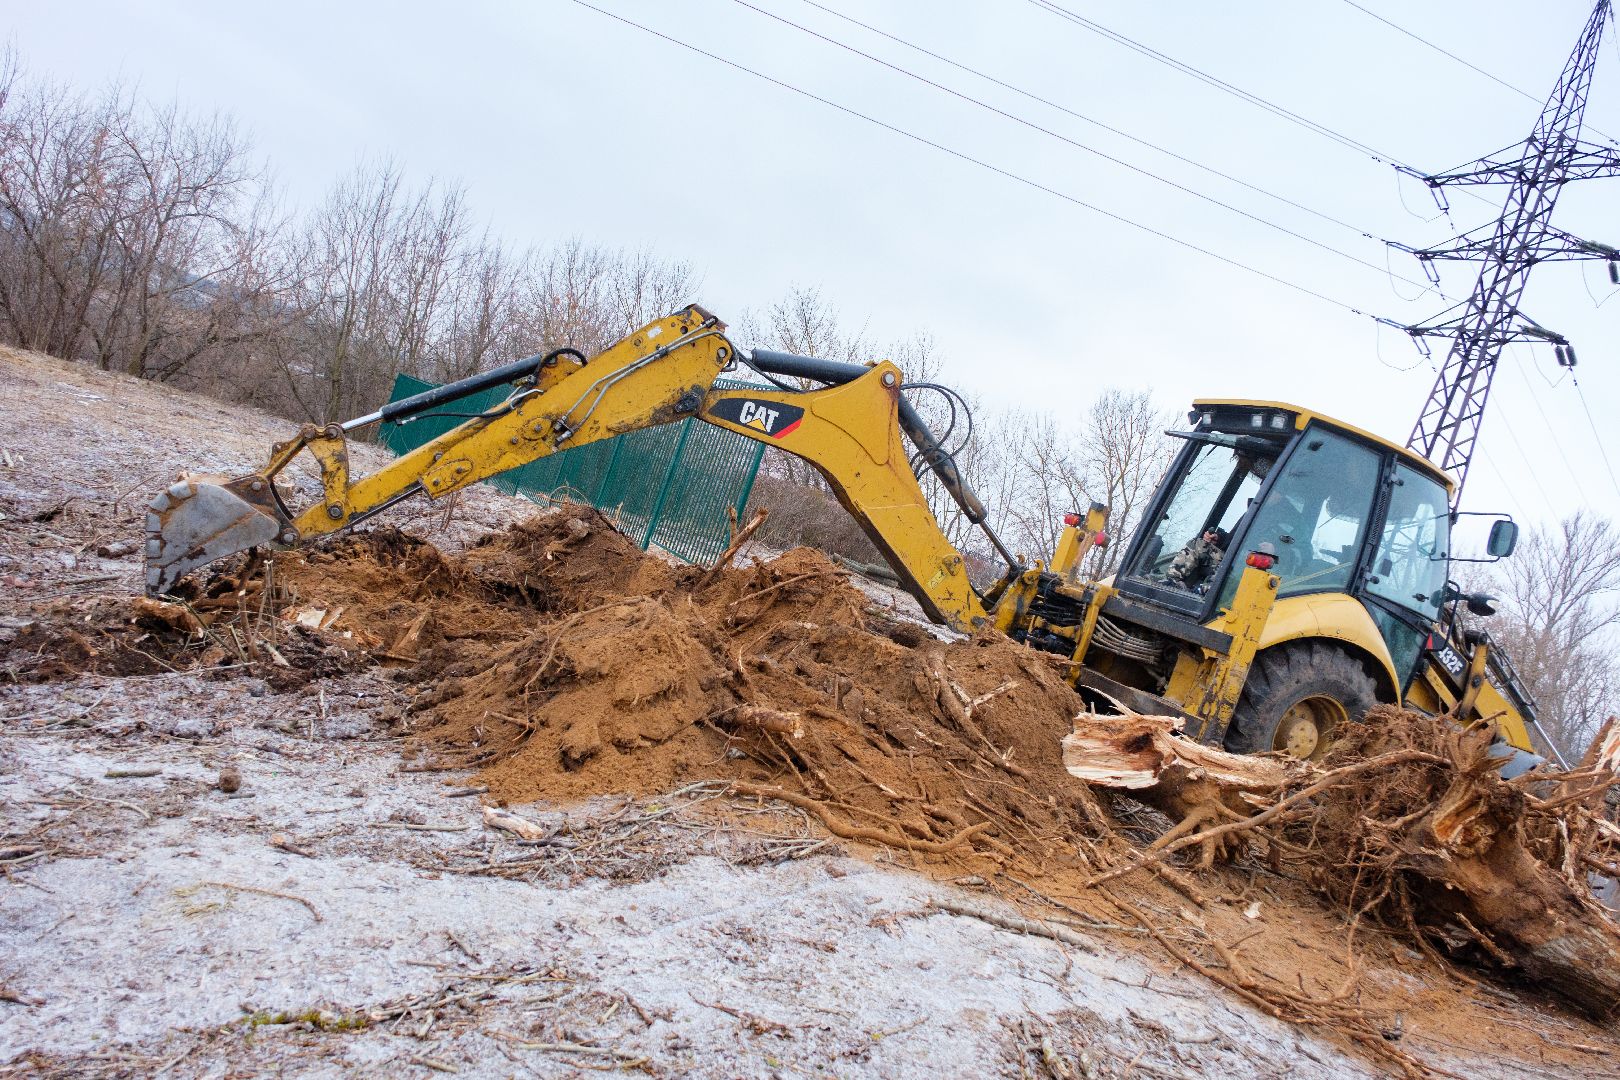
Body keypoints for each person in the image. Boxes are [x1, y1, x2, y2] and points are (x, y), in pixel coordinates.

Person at [1165, 526, 1227, 591]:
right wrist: (1219, 539)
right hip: (1230, 561)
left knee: (1197, 544)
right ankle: (1204, 591)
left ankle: (1171, 584)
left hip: (1233, 562)